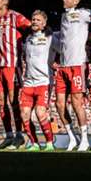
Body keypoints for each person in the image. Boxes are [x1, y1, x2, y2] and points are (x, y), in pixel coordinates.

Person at [56, 0, 91, 151]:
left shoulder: (82, 13)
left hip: (77, 63)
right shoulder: (63, 16)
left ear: (76, 1)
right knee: (59, 104)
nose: (64, 0)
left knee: (76, 103)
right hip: (63, 65)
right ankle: (72, 138)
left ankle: (85, 140)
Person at [0, 0, 32, 150]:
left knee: (14, 101)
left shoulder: (15, 17)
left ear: (5, 2)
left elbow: (31, 26)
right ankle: (8, 135)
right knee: (1, 101)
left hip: (12, 65)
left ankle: (20, 135)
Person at [19, 10, 58, 152]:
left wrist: (55, 62)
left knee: (41, 113)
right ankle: (34, 143)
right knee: (24, 114)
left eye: (38, 20)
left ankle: (49, 143)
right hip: (28, 82)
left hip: (44, 82)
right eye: (33, 19)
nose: (34, 21)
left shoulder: (50, 38)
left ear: (44, 23)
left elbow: (62, 49)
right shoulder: (28, 39)